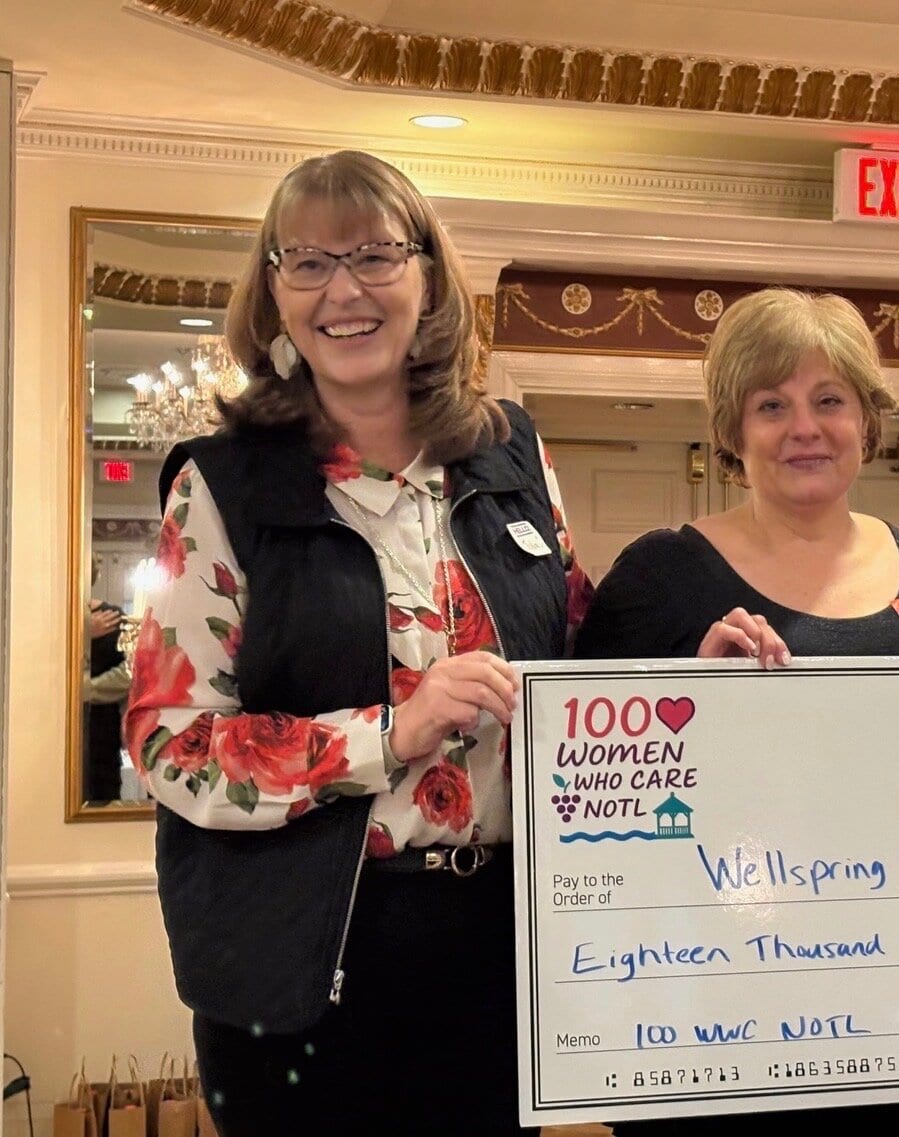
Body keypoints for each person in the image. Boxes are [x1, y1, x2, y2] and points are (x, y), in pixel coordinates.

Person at [124, 150, 593, 1136]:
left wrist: (692, 670)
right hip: (302, 967)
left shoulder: (511, 453)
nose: (343, 291)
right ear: (274, 293)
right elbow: (172, 741)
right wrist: (391, 733)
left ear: (427, 276)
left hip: (501, 955)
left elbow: (574, 651)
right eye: (307, 262)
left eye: (375, 256)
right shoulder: (222, 486)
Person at [573, 287, 899, 1136]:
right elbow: (584, 797)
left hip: (894, 1015)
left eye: (829, 400)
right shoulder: (660, 576)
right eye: (771, 405)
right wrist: (691, 698)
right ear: (733, 429)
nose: (805, 428)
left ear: (866, 419)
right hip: (709, 1025)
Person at [83, 553, 130, 801]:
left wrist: (86, 690)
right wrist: (82, 634)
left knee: (103, 796)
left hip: (102, 730)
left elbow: (130, 672)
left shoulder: (113, 617)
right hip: (50, 728)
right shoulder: (50, 619)